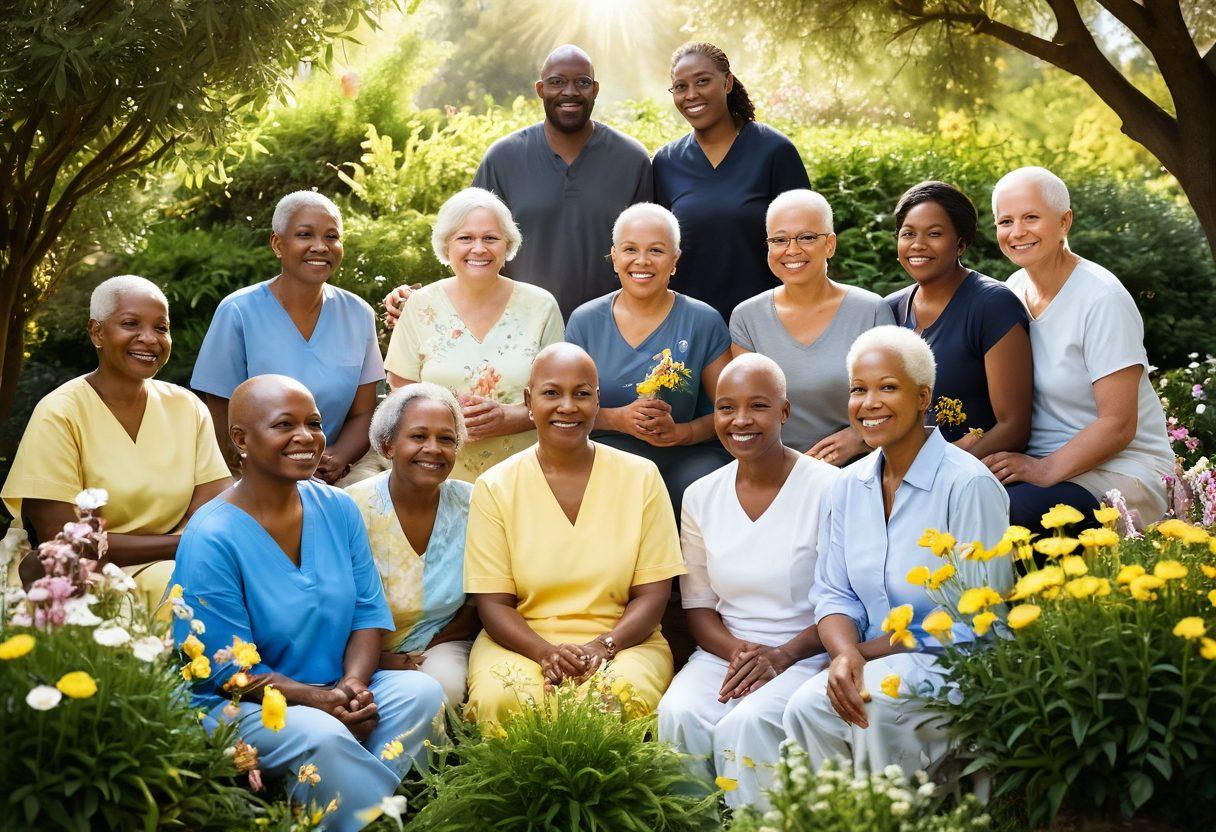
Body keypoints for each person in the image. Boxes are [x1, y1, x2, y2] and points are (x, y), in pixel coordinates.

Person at [171, 375, 444, 832]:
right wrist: (321, 702)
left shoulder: (338, 508)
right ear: (240, 439)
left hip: (336, 684)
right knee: (324, 733)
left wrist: (353, 687)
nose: (306, 437)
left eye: (314, 423)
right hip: (246, 704)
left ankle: (331, 811)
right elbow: (227, 673)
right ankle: (378, 818)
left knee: (423, 694)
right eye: (284, 425)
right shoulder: (211, 535)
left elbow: (366, 614)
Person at [782, 326, 1013, 777]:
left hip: (956, 663)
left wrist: (861, 656)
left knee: (877, 704)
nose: (869, 403)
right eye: (858, 390)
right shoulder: (847, 485)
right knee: (805, 707)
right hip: (869, 658)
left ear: (923, 397)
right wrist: (847, 652)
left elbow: (978, 614)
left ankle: (892, 817)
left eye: (888, 388)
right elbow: (832, 593)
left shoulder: (969, 484)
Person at [463, 344, 687, 726]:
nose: (568, 406)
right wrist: (546, 653)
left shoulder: (641, 477)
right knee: (504, 699)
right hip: (520, 644)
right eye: (552, 393)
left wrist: (603, 646)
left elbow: (654, 595)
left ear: (597, 401)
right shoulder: (495, 486)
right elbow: (493, 605)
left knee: (611, 697)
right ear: (528, 401)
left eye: (581, 394)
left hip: (624, 642)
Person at [658, 354, 839, 810]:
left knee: (748, 724)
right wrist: (738, 652)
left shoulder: (832, 489)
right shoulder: (701, 495)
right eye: (725, 407)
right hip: (727, 652)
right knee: (678, 714)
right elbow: (698, 606)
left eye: (758, 406)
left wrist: (780, 656)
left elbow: (848, 601)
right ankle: (695, 821)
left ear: (784, 411)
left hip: (808, 651)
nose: (740, 420)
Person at [382, 44, 652, 320]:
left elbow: (654, 255)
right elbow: (469, 250)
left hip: (611, 329)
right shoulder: (503, 158)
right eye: (557, 82)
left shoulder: (631, 160)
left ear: (594, 90)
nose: (569, 91)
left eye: (581, 83)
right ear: (540, 90)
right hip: (517, 330)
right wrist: (422, 305)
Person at [2, 275, 231, 601]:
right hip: (80, 575)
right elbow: (64, 539)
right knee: (187, 591)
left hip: (175, 562)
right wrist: (185, 544)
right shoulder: (59, 412)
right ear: (97, 332)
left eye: (161, 328)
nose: (150, 339)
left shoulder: (187, 407)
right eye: (131, 324)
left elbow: (214, 511)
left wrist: (186, 547)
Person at [984, 166, 1173, 530]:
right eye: (1005, 221)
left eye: (1031, 217)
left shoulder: (1101, 298)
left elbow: (1117, 424)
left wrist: (1044, 468)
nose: (1017, 231)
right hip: (1038, 462)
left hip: (1120, 468)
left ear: (1064, 222)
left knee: (1011, 515)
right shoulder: (1012, 290)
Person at [190, 190, 383, 485]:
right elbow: (222, 421)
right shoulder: (237, 311)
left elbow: (363, 413)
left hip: (333, 475)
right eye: (305, 235)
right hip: (255, 477)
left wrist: (335, 458)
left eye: (331, 237)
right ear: (277, 244)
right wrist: (283, 469)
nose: (320, 246)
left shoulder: (358, 314)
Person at [382, 188, 564, 482]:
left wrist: (509, 418)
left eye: (490, 238)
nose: (478, 248)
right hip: (438, 479)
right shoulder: (420, 305)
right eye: (465, 238)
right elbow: (401, 390)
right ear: (446, 245)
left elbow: (560, 396)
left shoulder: (541, 306)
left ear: (508, 244)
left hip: (524, 476)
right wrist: (444, 422)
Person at [565, 203, 732, 516]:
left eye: (656, 250)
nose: (642, 261)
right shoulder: (585, 322)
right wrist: (619, 419)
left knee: (701, 488)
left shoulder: (703, 321)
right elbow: (565, 411)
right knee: (619, 486)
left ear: (675, 260)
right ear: (615, 257)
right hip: (609, 450)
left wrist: (682, 433)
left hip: (690, 453)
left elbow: (730, 410)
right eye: (630, 249)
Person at [730, 189, 893, 462]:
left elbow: (894, 400)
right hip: (774, 467)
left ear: (829, 245)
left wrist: (860, 437)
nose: (792, 250)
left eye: (806, 237)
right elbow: (747, 411)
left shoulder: (871, 311)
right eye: (779, 240)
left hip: (859, 466)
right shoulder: (747, 318)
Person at [654, 42, 811, 322]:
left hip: (766, 322)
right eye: (680, 87)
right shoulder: (666, 162)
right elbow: (659, 251)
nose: (691, 95)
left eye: (702, 81)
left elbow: (809, 242)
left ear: (727, 82)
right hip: (688, 326)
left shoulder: (773, 150)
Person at [346, 384, 478, 706]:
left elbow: (479, 601)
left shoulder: (472, 504)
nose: (433, 448)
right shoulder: (351, 507)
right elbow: (333, 604)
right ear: (388, 445)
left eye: (446, 439)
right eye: (419, 437)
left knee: (443, 686)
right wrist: (378, 659)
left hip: (439, 642)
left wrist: (427, 649)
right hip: (352, 650)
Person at [885, 180, 1032, 457]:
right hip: (901, 466)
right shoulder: (888, 310)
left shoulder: (992, 305)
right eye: (908, 234)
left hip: (971, 471)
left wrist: (940, 472)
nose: (918, 245)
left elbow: (1014, 427)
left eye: (934, 234)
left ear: (961, 243)